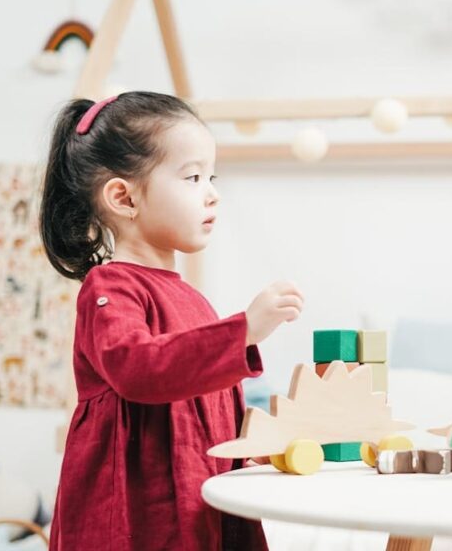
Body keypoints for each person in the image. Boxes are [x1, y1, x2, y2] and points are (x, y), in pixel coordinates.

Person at [40, 91, 303, 550]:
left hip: (197, 502)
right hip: (138, 514)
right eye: (193, 176)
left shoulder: (192, 300)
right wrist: (243, 330)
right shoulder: (109, 288)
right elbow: (139, 369)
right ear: (124, 197)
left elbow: (215, 411)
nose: (212, 192)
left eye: (211, 176)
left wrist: (254, 458)